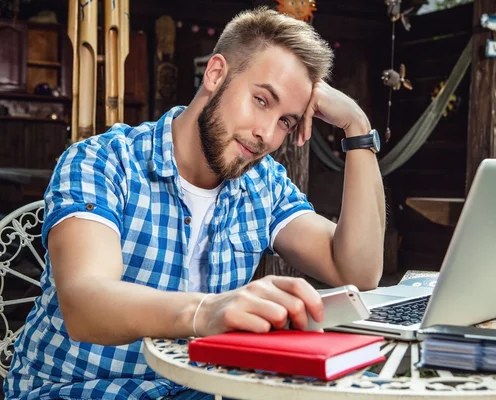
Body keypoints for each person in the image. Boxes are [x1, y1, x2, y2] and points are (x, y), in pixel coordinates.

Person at [4, 7, 385, 400]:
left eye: (287, 121)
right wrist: (208, 311)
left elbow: (357, 269)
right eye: (260, 100)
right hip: (78, 391)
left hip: (197, 390)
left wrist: (356, 128)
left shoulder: (262, 182)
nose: (266, 135)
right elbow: (86, 302)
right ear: (216, 74)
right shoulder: (104, 161)